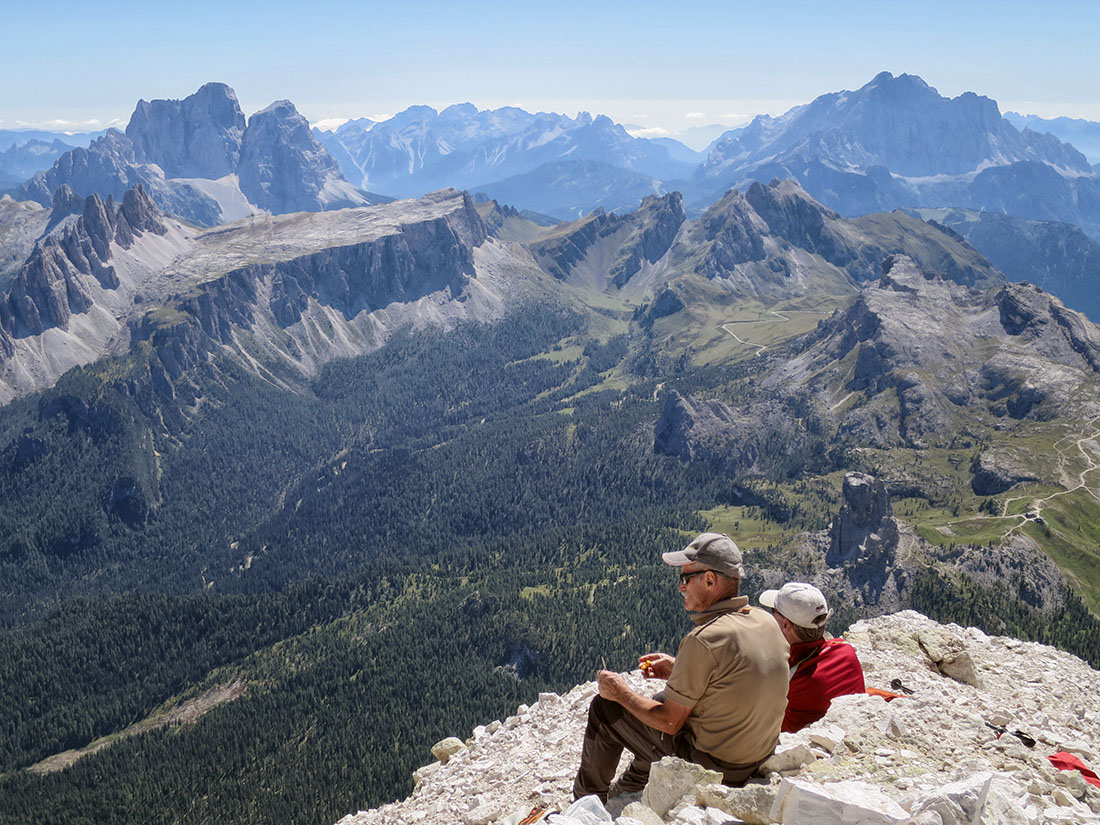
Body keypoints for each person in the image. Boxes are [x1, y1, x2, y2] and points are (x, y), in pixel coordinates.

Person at [572, 533, 789, 802]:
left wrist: (619, 692)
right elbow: (738, 679)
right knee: (662, 700)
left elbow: (669, 723)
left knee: (606, 709)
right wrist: (679, 668)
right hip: (755, 757)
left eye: (685, 578)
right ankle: (632, 786)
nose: (680, 587)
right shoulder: (764, 621)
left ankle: (584, 804)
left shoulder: (705, 639)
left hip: (715, 768)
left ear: (710, 579)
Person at [758, 582, 865, 733]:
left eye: (773, 612)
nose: (771, 616)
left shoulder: (787, 677)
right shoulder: (846, 651)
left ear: (786, 625)